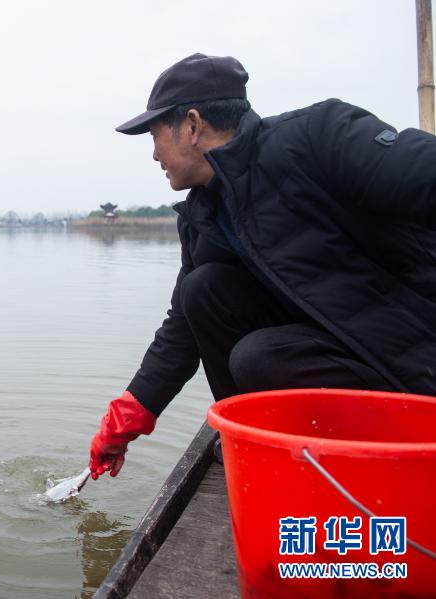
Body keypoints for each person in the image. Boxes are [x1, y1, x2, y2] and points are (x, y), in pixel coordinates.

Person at [89, 53, 436, 480]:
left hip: (417, 360)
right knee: (203, 289)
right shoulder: (204, 215)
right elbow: (183, 328)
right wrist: (132, 411)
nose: (154, 155)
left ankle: (368, 455)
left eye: (155, 135)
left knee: (258, 359)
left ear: (193, 125)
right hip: (342, 361)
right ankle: (254, 439)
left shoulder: (317, 138)